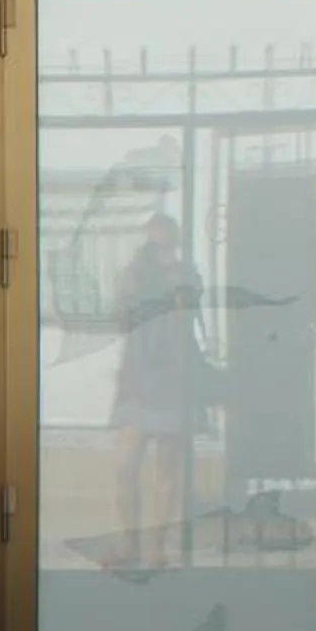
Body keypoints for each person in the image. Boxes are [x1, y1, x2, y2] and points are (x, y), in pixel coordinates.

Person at [110, 212, 207, 568]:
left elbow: (187, 317)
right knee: (125, 465)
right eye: (155, 230)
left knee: (167, 468)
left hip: (173, 378)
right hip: (138, 377)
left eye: (167, 230)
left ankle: (155, 547)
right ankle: (129, 544)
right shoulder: (134, 273)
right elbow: (121, 317)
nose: (161, 236)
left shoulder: (187, 274)